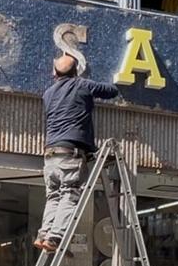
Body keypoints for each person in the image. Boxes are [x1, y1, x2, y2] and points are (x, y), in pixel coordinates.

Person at [34, 54, 120, 252]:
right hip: (70, 152)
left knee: (54, 196)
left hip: (51, 154)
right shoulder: (83, 85)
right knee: (70, 195)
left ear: (54, 73)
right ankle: (55, 237)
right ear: (77, 71)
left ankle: (44, 233)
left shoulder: (48, 93)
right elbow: (111, 91)